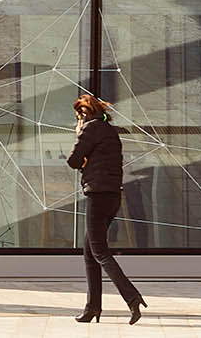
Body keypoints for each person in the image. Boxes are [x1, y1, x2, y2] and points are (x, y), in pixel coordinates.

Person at [67, 94, 146, 325]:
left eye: (78, 116)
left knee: (99, 251)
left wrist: (79, 134)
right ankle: (92, 308)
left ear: (83, 114)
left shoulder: (90, 129)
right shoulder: (110, 130)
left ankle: (132, 298)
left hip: (97, 195)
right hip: (112, 196)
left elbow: (73, 160)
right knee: (90, 251)